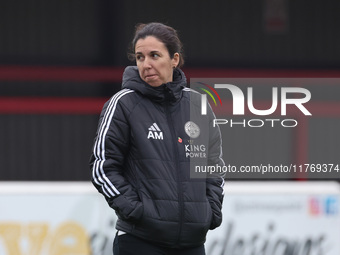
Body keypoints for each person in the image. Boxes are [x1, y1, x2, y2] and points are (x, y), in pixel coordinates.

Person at [90, 22, 225, 255]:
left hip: (192, 244)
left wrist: (209, 211)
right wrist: (137, 211)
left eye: (154, 55)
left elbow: (213, 167)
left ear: (174, 59)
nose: (146, 64)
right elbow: (102, 168)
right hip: (140, 240)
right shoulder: (123, 104)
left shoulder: (197, 106)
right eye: (140, 57)